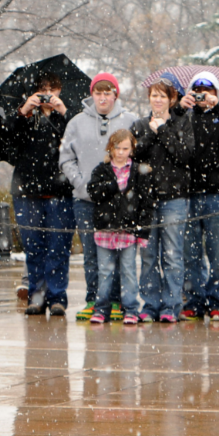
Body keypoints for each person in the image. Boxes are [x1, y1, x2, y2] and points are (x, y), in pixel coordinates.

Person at [59, 72, 138, 320]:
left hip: (119, 201)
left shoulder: (131, 120)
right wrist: (80, 182)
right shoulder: (76, 122)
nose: (102, 97)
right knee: (92, 254)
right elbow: (66, 158)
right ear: (91, 94)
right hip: (85, 200)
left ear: (116, 94)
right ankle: (94, 299)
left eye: (107, 92)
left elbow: (139, 157)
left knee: (119, 254)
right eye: (98, 92)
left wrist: (128, 186)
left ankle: (115, 301)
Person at [7, 72, 71, 316]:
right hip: (27, 191)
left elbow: (77, 140)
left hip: (60, 191)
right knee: (33, 247)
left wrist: (63, 111)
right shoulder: (24, 116)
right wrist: (23, 111)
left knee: (58, 247)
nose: (47, 95)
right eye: (42, 90)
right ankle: (36, 296)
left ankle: (57, 298)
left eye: (52, 90)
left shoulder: (66, 118)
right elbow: (8, 137)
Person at [179, 72, 219, 321]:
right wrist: (178, 108)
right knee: (191, 254)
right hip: (190, 193)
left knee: (218, 254)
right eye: (198, 89)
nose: (202, 94)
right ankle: (193, 301)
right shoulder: (186, 117)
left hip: (218, 194)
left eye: (208, 90)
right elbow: (173, 133)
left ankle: (217, 302)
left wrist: (218, 106)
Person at [132, 77, 194, 323]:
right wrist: (151, 131)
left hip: (174, 199)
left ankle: (171, 305)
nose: (157, 100)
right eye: (154, 95)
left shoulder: (183, 123)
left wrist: (165, 130)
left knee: (172, 255)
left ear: (172, 99)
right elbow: (135, 156)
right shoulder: (139, 124)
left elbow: (185, 156)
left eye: (162, 96)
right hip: (147, 200)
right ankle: (149, 304)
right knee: (148, 257)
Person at [87, 129, 152, 325]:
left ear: (132, 149)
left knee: (129, 271)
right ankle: (101, 309)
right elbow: (93, 192)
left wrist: (143, 231)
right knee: (105, 271)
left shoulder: (138, 171)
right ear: (111, 148)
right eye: (117, 148)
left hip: (128, 231)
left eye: (125, 148)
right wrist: (110, 186)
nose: (121, 152)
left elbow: (146, 203)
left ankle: (131, 308)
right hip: (105, 230)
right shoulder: (101, 170)